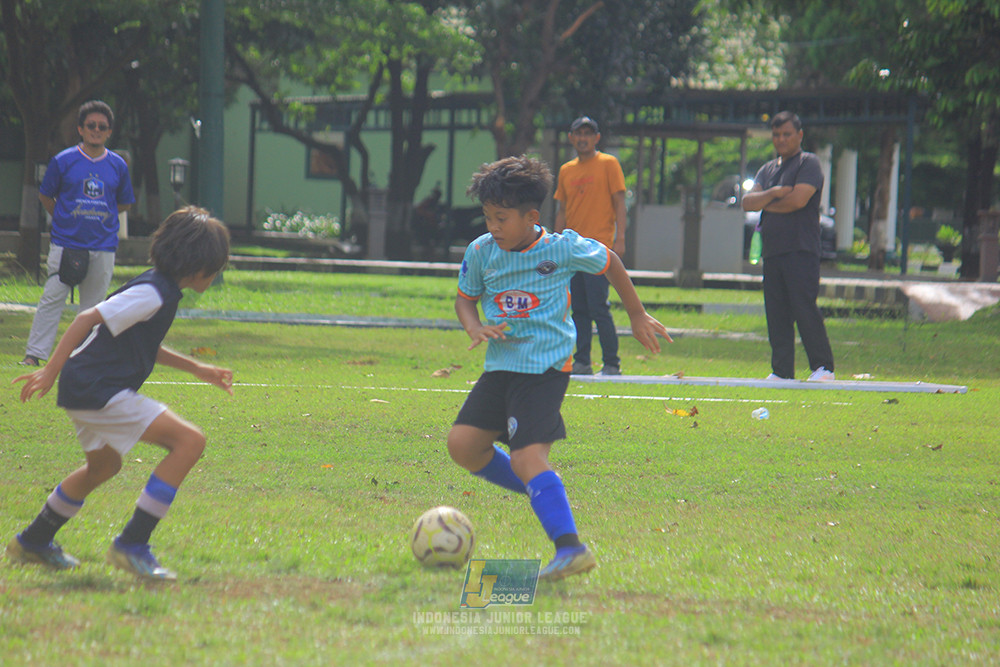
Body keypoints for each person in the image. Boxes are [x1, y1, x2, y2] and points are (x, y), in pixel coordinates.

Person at [448, 155, 671, 581]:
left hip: (546, 368)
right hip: (501, 367)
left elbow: (610, 262)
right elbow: (464, 298)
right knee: (462, 445)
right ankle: (543, 489)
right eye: (487, 217)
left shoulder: (561, 248)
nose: (493, 226)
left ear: (531, 217)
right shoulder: (482, 251)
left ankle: (570, 548)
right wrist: (473, 324)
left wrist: (637, 314)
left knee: (528, 456)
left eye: (501, 218)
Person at [7, 207, 232, 581]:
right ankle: (132, 544)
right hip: (99, 389)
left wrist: (197, 368)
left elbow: (139, 342)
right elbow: (85, 319)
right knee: (190, 442)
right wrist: (49, 369)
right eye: (219, 264)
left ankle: (34, 540)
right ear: (199, 266)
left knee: (104, 467)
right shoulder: (152, 293)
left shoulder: (159, 289)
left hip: (86, 388)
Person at [20, 100, 135, 367]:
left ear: (109, 132)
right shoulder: (63, 161)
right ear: (80, 129)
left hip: (103, 246)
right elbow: (46, 195)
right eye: (91, 125)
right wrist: (64, 217)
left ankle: (83, 358)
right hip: (66, 243)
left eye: (102, 127)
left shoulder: (118, 165)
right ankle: (34, 354)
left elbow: (124, 203)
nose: (96, 130)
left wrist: (101, 216)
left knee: (94, 307)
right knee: (52, 298)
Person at [741, 111, 835, 381]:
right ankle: (781, 371)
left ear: (799, 135)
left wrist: (765, 202)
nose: (781, 139)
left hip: (800, 249)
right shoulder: (768, 169)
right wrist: (771, 193)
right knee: (776, 312)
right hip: (773, 251)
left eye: (787, 134)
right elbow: (748, 203)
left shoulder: (809, 163)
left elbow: (797, 201)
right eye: (776, 135)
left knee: (803, 307)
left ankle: (823, 367)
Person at [554, 116, 628, 376]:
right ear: (571, 137)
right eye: (578, 133)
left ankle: (611, 363)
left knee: (599, 306)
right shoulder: (566, 170)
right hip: (572, 249)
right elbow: (562, 209)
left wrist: (620, 239)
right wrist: (556, 241)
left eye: (588, 133)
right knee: (579, 309)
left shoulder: (608, 164)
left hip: (599, 247)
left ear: (597, 138)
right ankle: (582, 361)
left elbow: (620, 203)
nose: (583, 138)